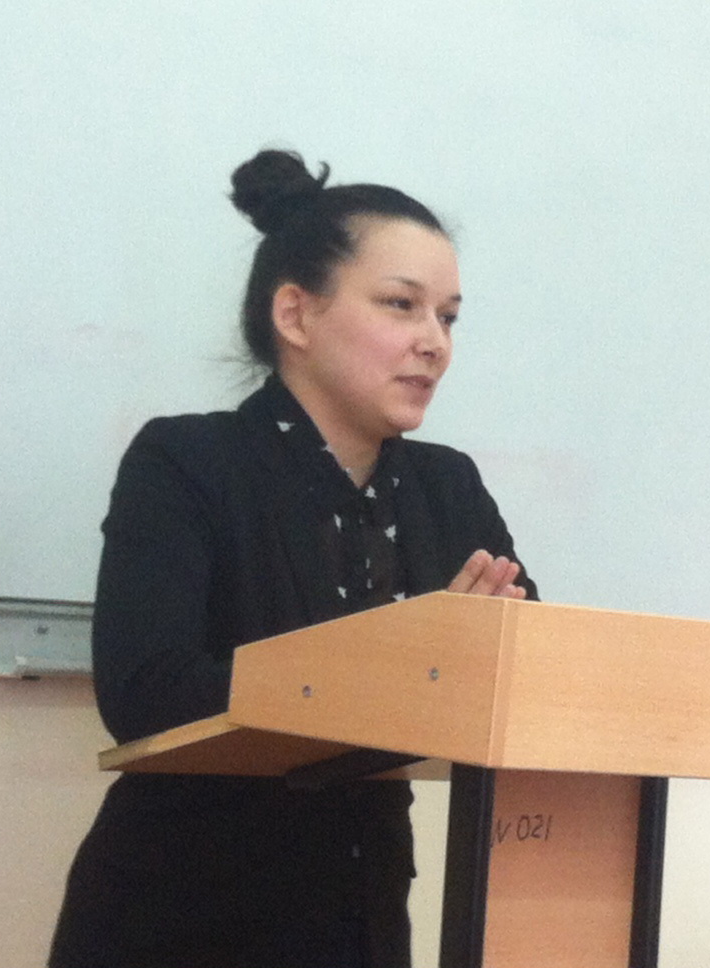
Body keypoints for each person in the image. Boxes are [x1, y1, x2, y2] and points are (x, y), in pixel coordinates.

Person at [48, 148, 536, 968]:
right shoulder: (186, 461)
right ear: (296, 315)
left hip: (362, 909)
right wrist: (411, 662)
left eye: (448, 318)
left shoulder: (447, 487)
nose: (434, 344)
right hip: (180, 910)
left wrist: (475, 656)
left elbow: (525, 678)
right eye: (401, 306)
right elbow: (146, 694)